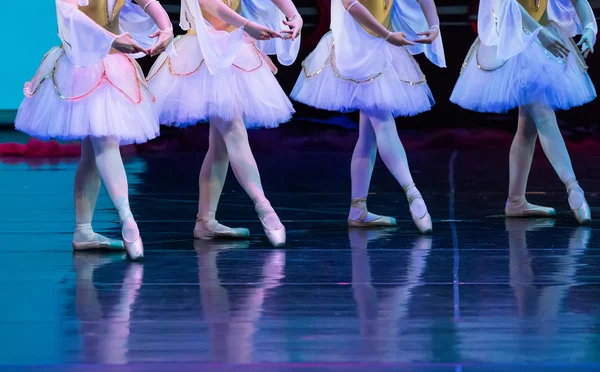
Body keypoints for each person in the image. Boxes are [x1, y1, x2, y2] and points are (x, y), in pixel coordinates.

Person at [15, 0, 174, 259]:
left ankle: (83, 230)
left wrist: (166, 28)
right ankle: (127, 219)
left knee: (92, 152)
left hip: (113, 66)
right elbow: (71, 15)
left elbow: (149, 2)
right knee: (105, 142)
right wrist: (111, 39)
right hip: (82, 67)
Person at [148, 0, 302, 247]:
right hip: (204, 53)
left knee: (220, 146)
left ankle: (205, 220)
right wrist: (247, 24)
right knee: (234, 131)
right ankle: (264, 207)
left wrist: (294, 14)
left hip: (233, 50)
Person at [291, 0, 445, 233]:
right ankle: (412, 193)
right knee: (382, 121)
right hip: (356, 50)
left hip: (381, 46)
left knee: (368, 135)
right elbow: (350, 4)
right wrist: (387, 35)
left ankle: (358, 209)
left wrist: (434, 25)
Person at [450, 0, 596, 224]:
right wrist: (539, 34)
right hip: (515, 41)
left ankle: (516, 199)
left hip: (543, 38)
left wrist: (589, 28)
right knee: (544, 116)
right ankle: (573, 187)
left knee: (527, 127)